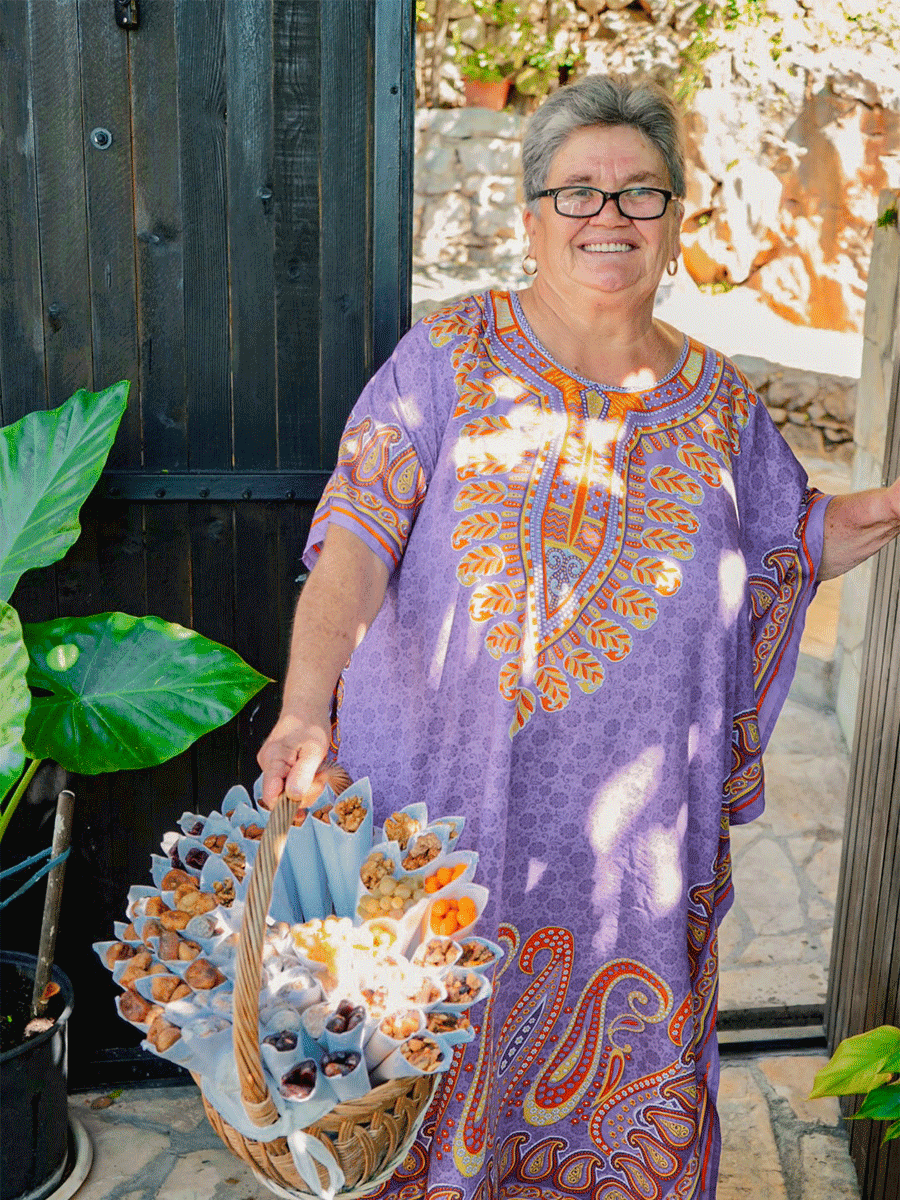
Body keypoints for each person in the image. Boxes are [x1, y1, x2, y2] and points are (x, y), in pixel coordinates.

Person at [258, 74, 900, 1200]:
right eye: (579, 191)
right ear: (531, 218)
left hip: (630, 863)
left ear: (677, 220)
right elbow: (353, 539)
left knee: (612, 1124)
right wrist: (307, 705)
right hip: (437, 825)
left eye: (640, 194)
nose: (610, 215)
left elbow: (792, 549)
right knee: (415, 1074)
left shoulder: (721, 407)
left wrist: (874, 514)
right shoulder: (444, 362)